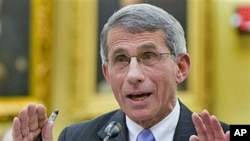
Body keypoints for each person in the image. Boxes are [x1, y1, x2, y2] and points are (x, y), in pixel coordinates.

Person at [12, 3, 230, 141]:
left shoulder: (226, 136)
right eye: (121, 59)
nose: (133, 75)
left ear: (180, 67)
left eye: (149, 56)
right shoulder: (75, 137)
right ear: (107, 74)